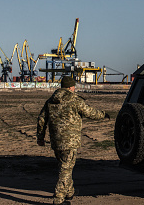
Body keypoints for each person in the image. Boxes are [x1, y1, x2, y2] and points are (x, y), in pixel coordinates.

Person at [37, 75, 109, 205]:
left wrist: (40, 137)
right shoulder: (75, 100)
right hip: (70, 140)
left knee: (65, 165)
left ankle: (69, 192)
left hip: (55, 140)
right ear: (71, 87)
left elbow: (42, 119)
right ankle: (59, 198)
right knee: (65, 168)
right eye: (74, 86)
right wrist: (103, 114)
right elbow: (90, 112)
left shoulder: (51, 100)